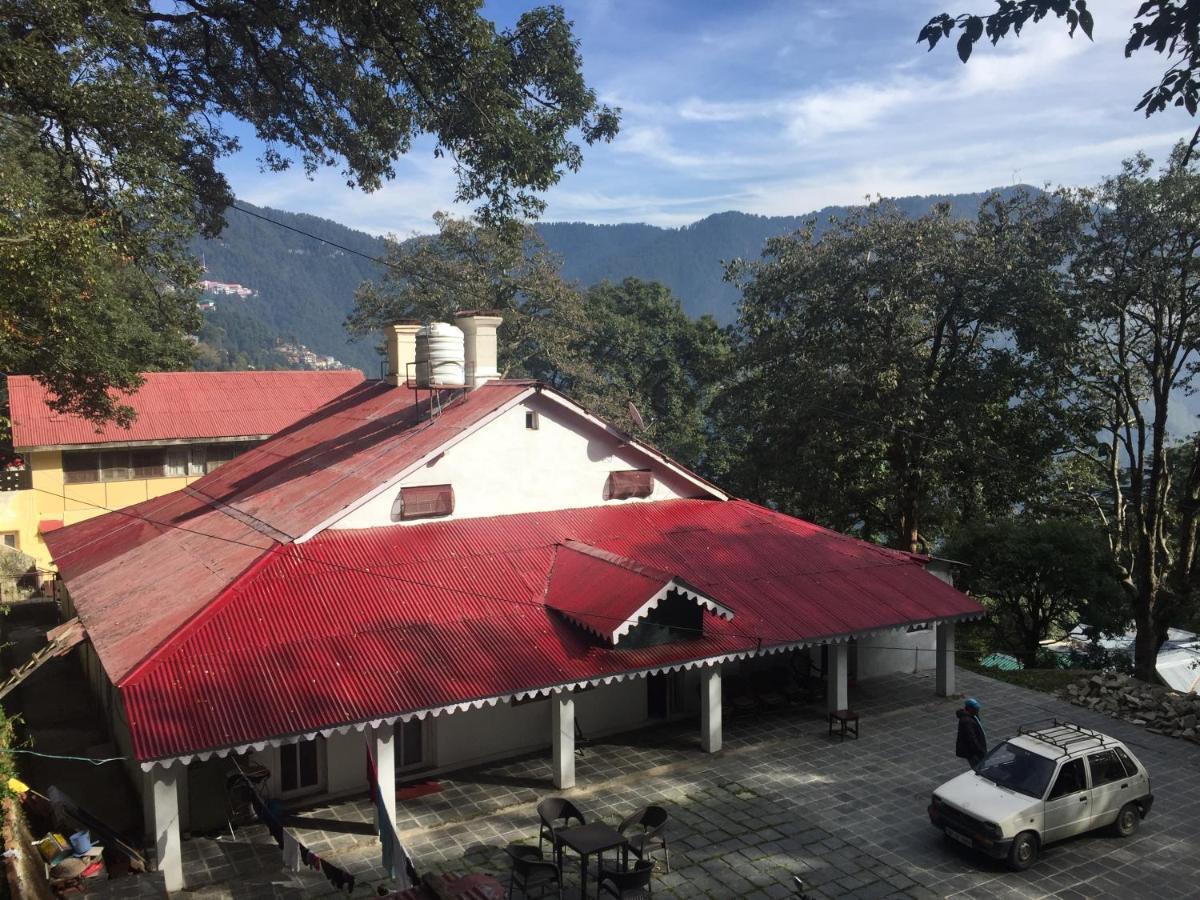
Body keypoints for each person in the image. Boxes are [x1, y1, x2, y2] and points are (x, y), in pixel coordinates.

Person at [956, 697, 987, 769]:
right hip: (974, 753)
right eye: (976, 709)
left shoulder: (972, 716)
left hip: (976, 750)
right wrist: (980, 752)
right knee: (978, 768)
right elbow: (972, 739)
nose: (978, 710)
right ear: (969, 709)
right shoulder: (967, 721)